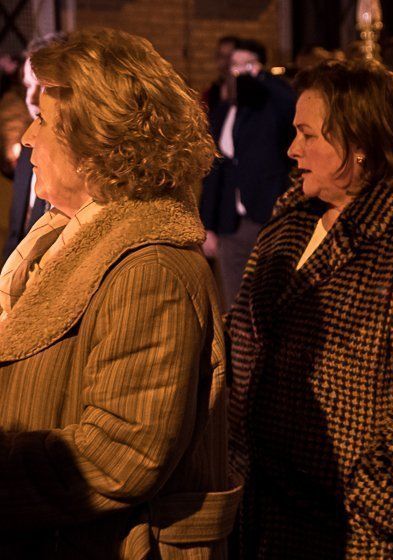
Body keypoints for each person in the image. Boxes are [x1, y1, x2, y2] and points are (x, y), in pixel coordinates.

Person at [227, 59, 393, 559]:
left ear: (360, 143)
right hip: (269, 518)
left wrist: (369, 506)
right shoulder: (292, 219)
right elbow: (249, 332)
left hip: (364, 537)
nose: (292, 150)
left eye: (308, 135)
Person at [0, 28, 240, 557]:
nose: (27, 138)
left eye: (44, 121)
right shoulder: (59, 241)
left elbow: (124, 454)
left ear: (96, 143)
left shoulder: (150, 269)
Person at [199, 38, 296, 307]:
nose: (240, 71)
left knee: (268, 300)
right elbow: (216, 168)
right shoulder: (224, 109)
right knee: (233, 302)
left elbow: (290, 106)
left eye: (248, 64)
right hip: (230, 222)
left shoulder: (270, 102)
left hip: (265, 216)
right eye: (235, 65)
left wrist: (263, 80)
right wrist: (208, 224)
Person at [3, 33, 66, 262]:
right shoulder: (28, 144)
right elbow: (15, 235)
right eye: (27, 85)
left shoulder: (73, 156)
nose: (30, 98)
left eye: (39, 86)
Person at [202, 35, 238, 115]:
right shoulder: (210, 93)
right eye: (222, 57)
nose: (225, 62)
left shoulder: (248, 94)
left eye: (229, 57)